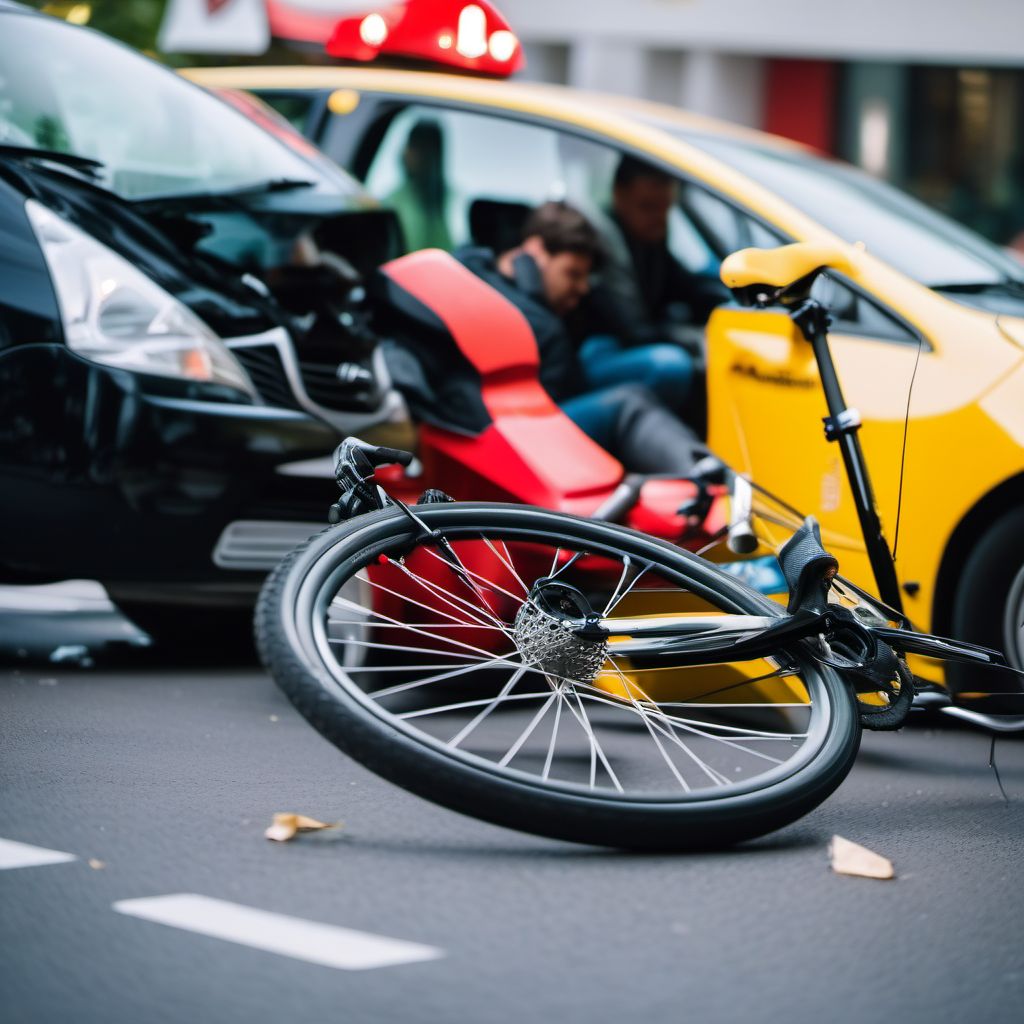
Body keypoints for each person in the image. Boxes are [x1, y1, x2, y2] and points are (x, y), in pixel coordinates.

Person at [457, 201, 706, 475]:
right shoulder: (485, 296)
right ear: (535, 251)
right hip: (524, 426)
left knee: (641, 358)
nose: (582, 288)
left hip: (563, 383)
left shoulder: (538, 296)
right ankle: (707, 479)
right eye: (573, 274)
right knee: (629, 403)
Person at [386, 119, 453, 252]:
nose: (406, 153)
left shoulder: (447, 202)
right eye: (409, 146)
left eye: (415, 147)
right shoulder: (396, 200)